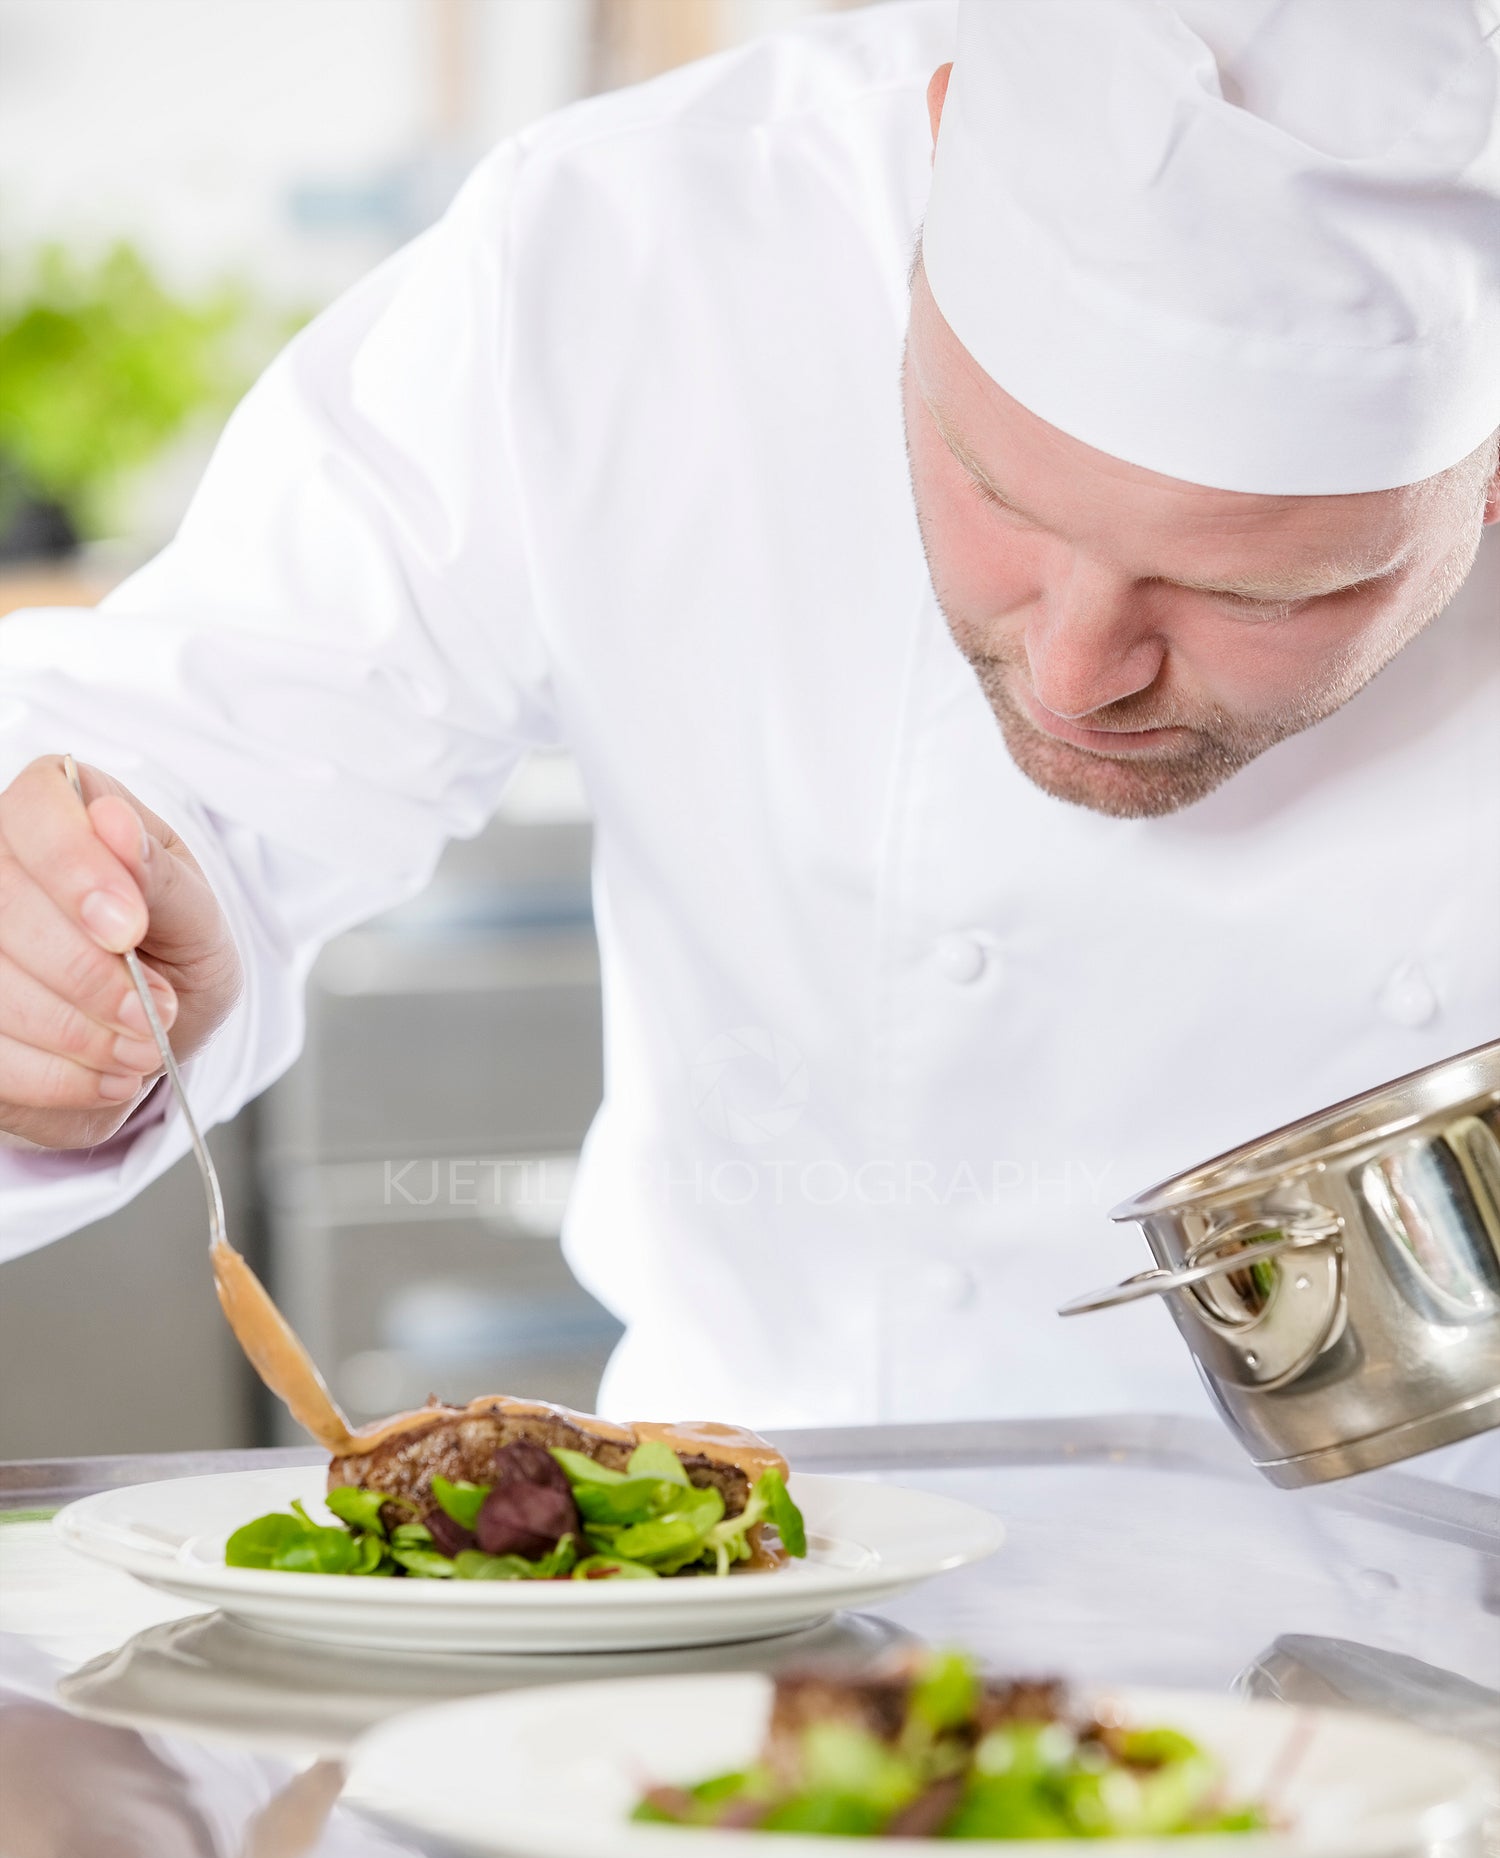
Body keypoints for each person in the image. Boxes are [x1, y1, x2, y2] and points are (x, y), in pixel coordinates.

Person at [0, 0, 1496, 1432]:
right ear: (935, 159)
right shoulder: (648, 247)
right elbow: (208, 758)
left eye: (1257, 593)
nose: (1071, 671)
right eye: (993, 486)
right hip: (776, 1580)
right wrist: (77, 939)